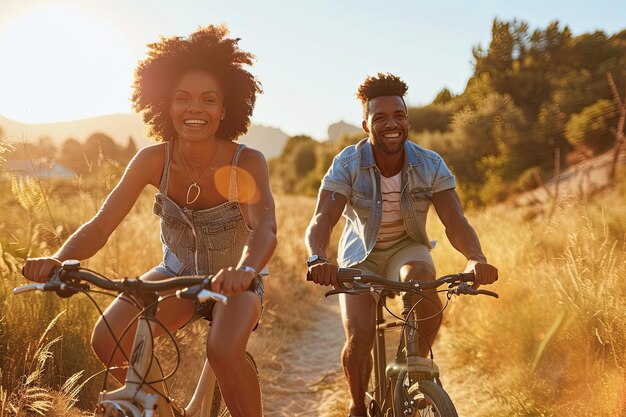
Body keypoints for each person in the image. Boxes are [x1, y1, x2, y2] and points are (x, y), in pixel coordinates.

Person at [22, 24, 276, 417]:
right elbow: (102, 223)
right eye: (182, 98)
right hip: (175, 273)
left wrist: (244, 271)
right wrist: (58, 259)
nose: (195, 109)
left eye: (209, 100)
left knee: (224, 351)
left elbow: (264, 228)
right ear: (164, 104)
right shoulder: (152, 159)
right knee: (108, 337)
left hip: (236, 280)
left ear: (224, 109)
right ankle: (162, 409)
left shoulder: (247, 161)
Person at [305, 73, 498, 417]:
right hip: (359, 255)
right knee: (360, 337)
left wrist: (475, 259)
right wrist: (318, 258)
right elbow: (323, 218)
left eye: (398, 115)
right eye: (380, 117)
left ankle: (414, 367)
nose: (391, 124)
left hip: (407, 247)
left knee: (423, 280)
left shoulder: (430, 163)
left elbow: (454, 219)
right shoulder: (348, 164)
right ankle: (356, 405)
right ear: (366, 124)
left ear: (407, 120)